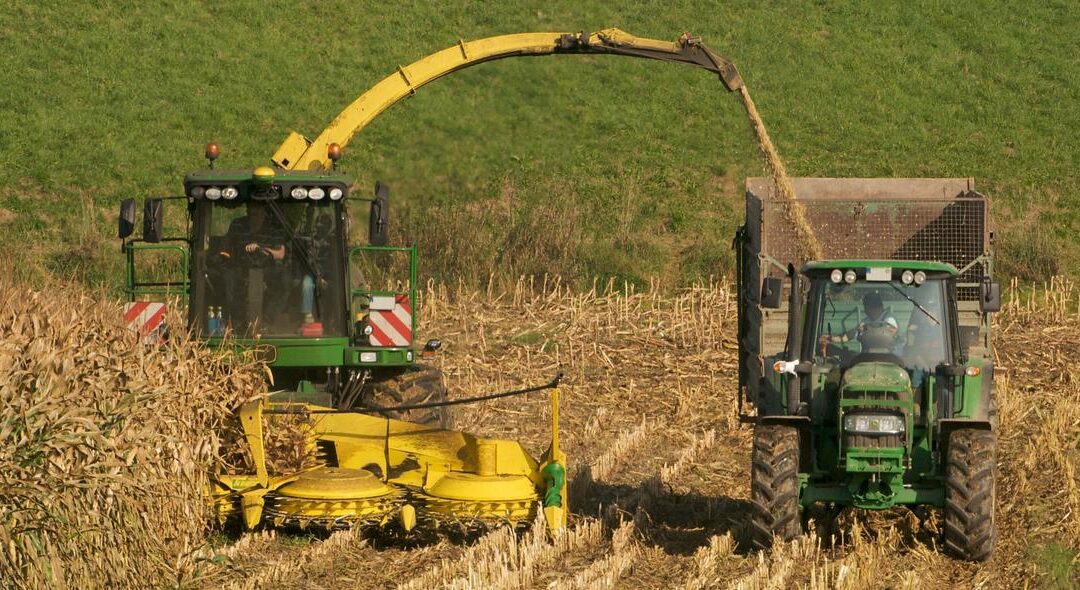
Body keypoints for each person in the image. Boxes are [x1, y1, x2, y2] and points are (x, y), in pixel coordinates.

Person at [820, 291, 898, 350]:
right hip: (867, 357)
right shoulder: (865, 321)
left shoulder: (889, 318)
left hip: (889, 357)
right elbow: (849, 335)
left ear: (878, 307)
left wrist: (867, 329)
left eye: (868, 306)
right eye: (866, 307)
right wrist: (831, 338)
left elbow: (892, 331)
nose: (866, 310)